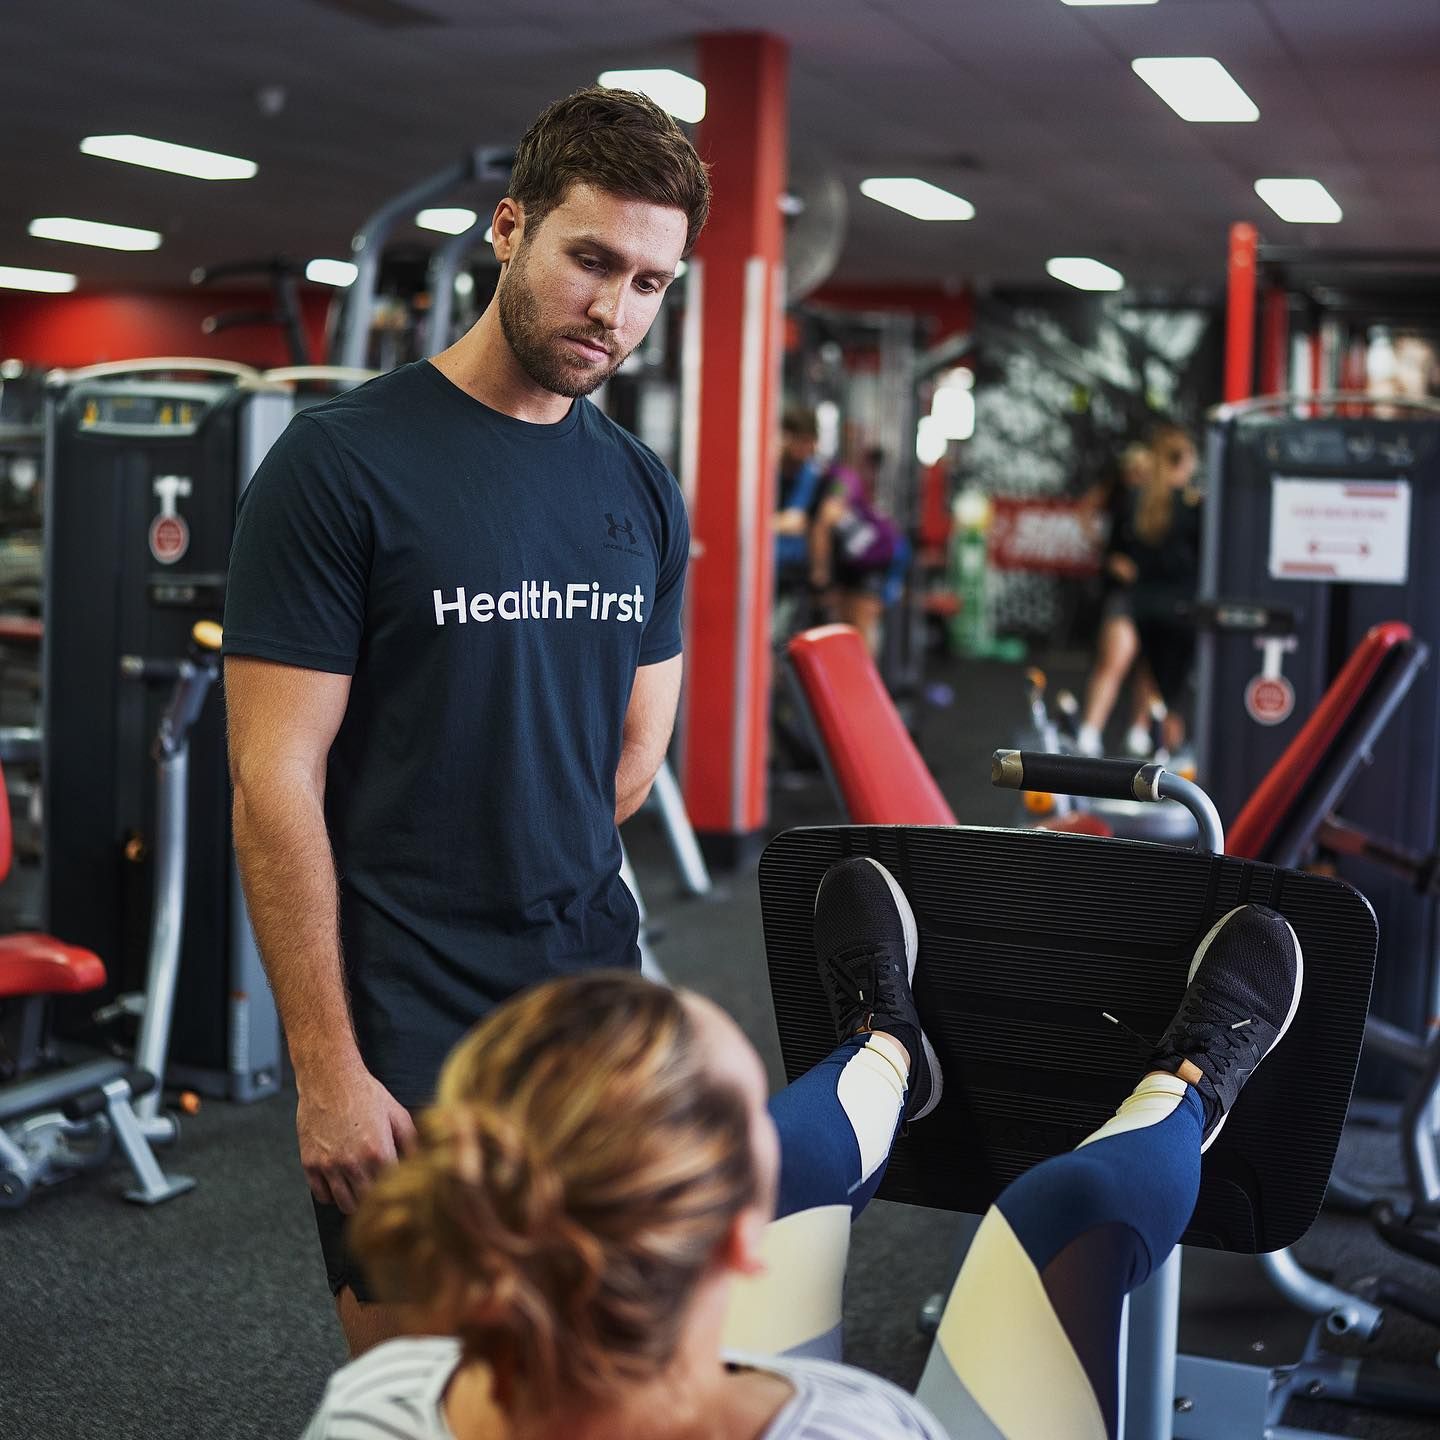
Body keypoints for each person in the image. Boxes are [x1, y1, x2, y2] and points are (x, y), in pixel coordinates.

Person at [222, 86, 710, 1354]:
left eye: (652, 284)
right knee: (428, 1390)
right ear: (509, 229)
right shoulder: (337, 466)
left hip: (585, 1001)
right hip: (404, 1017)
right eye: (591, 260)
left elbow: (633, 760)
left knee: (590, 1374)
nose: (615, 311)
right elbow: (273, 782)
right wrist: (325, 1069)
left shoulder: (641, 491)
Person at [302, 856, 1303, 1440]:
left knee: (1012, 1200)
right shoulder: (860, 1425)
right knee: (1063, 1213)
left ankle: (888, 1047)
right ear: (742, 1248)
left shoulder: (381, 1408)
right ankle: (1184, 1088)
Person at [1108, 424, 1203, 756]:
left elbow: (1121, 554)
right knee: (1173, 694)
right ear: (1183, 461)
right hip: (1181, 608)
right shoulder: (1193, 506)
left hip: (1144, 608)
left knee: (1155, 683)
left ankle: (1156, 748)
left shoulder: (1139, 501)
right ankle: (1171, 759)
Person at [1076, 442, 1161, 756]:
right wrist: (1105, 554)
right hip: (1124, 590)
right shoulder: (1118, 495)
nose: (1135, 477)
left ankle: (1140, 729)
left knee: (1151, 664)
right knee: (1116, 656)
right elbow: (1085, 510)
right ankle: (1090, 728)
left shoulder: (1162, 500)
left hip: (1156, 589)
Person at [808, 447, 904, 658]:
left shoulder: (841, 479)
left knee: (859, 629)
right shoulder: (828, 480)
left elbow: (827, 518)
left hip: (872, 560)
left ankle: (863, 686)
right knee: (846, 629)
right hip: (854, 562)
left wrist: (819, 573)